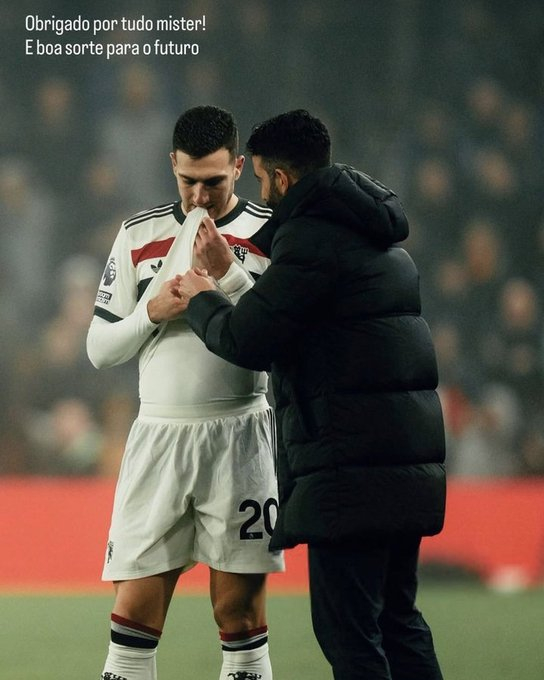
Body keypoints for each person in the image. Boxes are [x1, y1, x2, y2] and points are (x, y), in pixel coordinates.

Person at [176, 109, 447, 680]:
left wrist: (201, 298)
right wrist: (232, 271)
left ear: (280, 177)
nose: (261, 194)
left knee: (349, 634)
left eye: (260, 180)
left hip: (349, 468)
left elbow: (250, 339)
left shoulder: (311, 239)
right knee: (398, 621)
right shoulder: (371, 231)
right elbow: (308, 320)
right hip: (404, 461)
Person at [86, 105, 284, 680]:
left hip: (241, 435)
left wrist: (230, 279)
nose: (199, 196)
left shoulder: (272, 231)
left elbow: (284, 341)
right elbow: (99, 348)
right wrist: (151, 312)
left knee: (240, 617)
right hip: (159, 435)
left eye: (213, 182)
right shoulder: (138, 234)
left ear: (239, 168)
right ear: (172, 164)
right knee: (132, 617)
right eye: (187, 181)